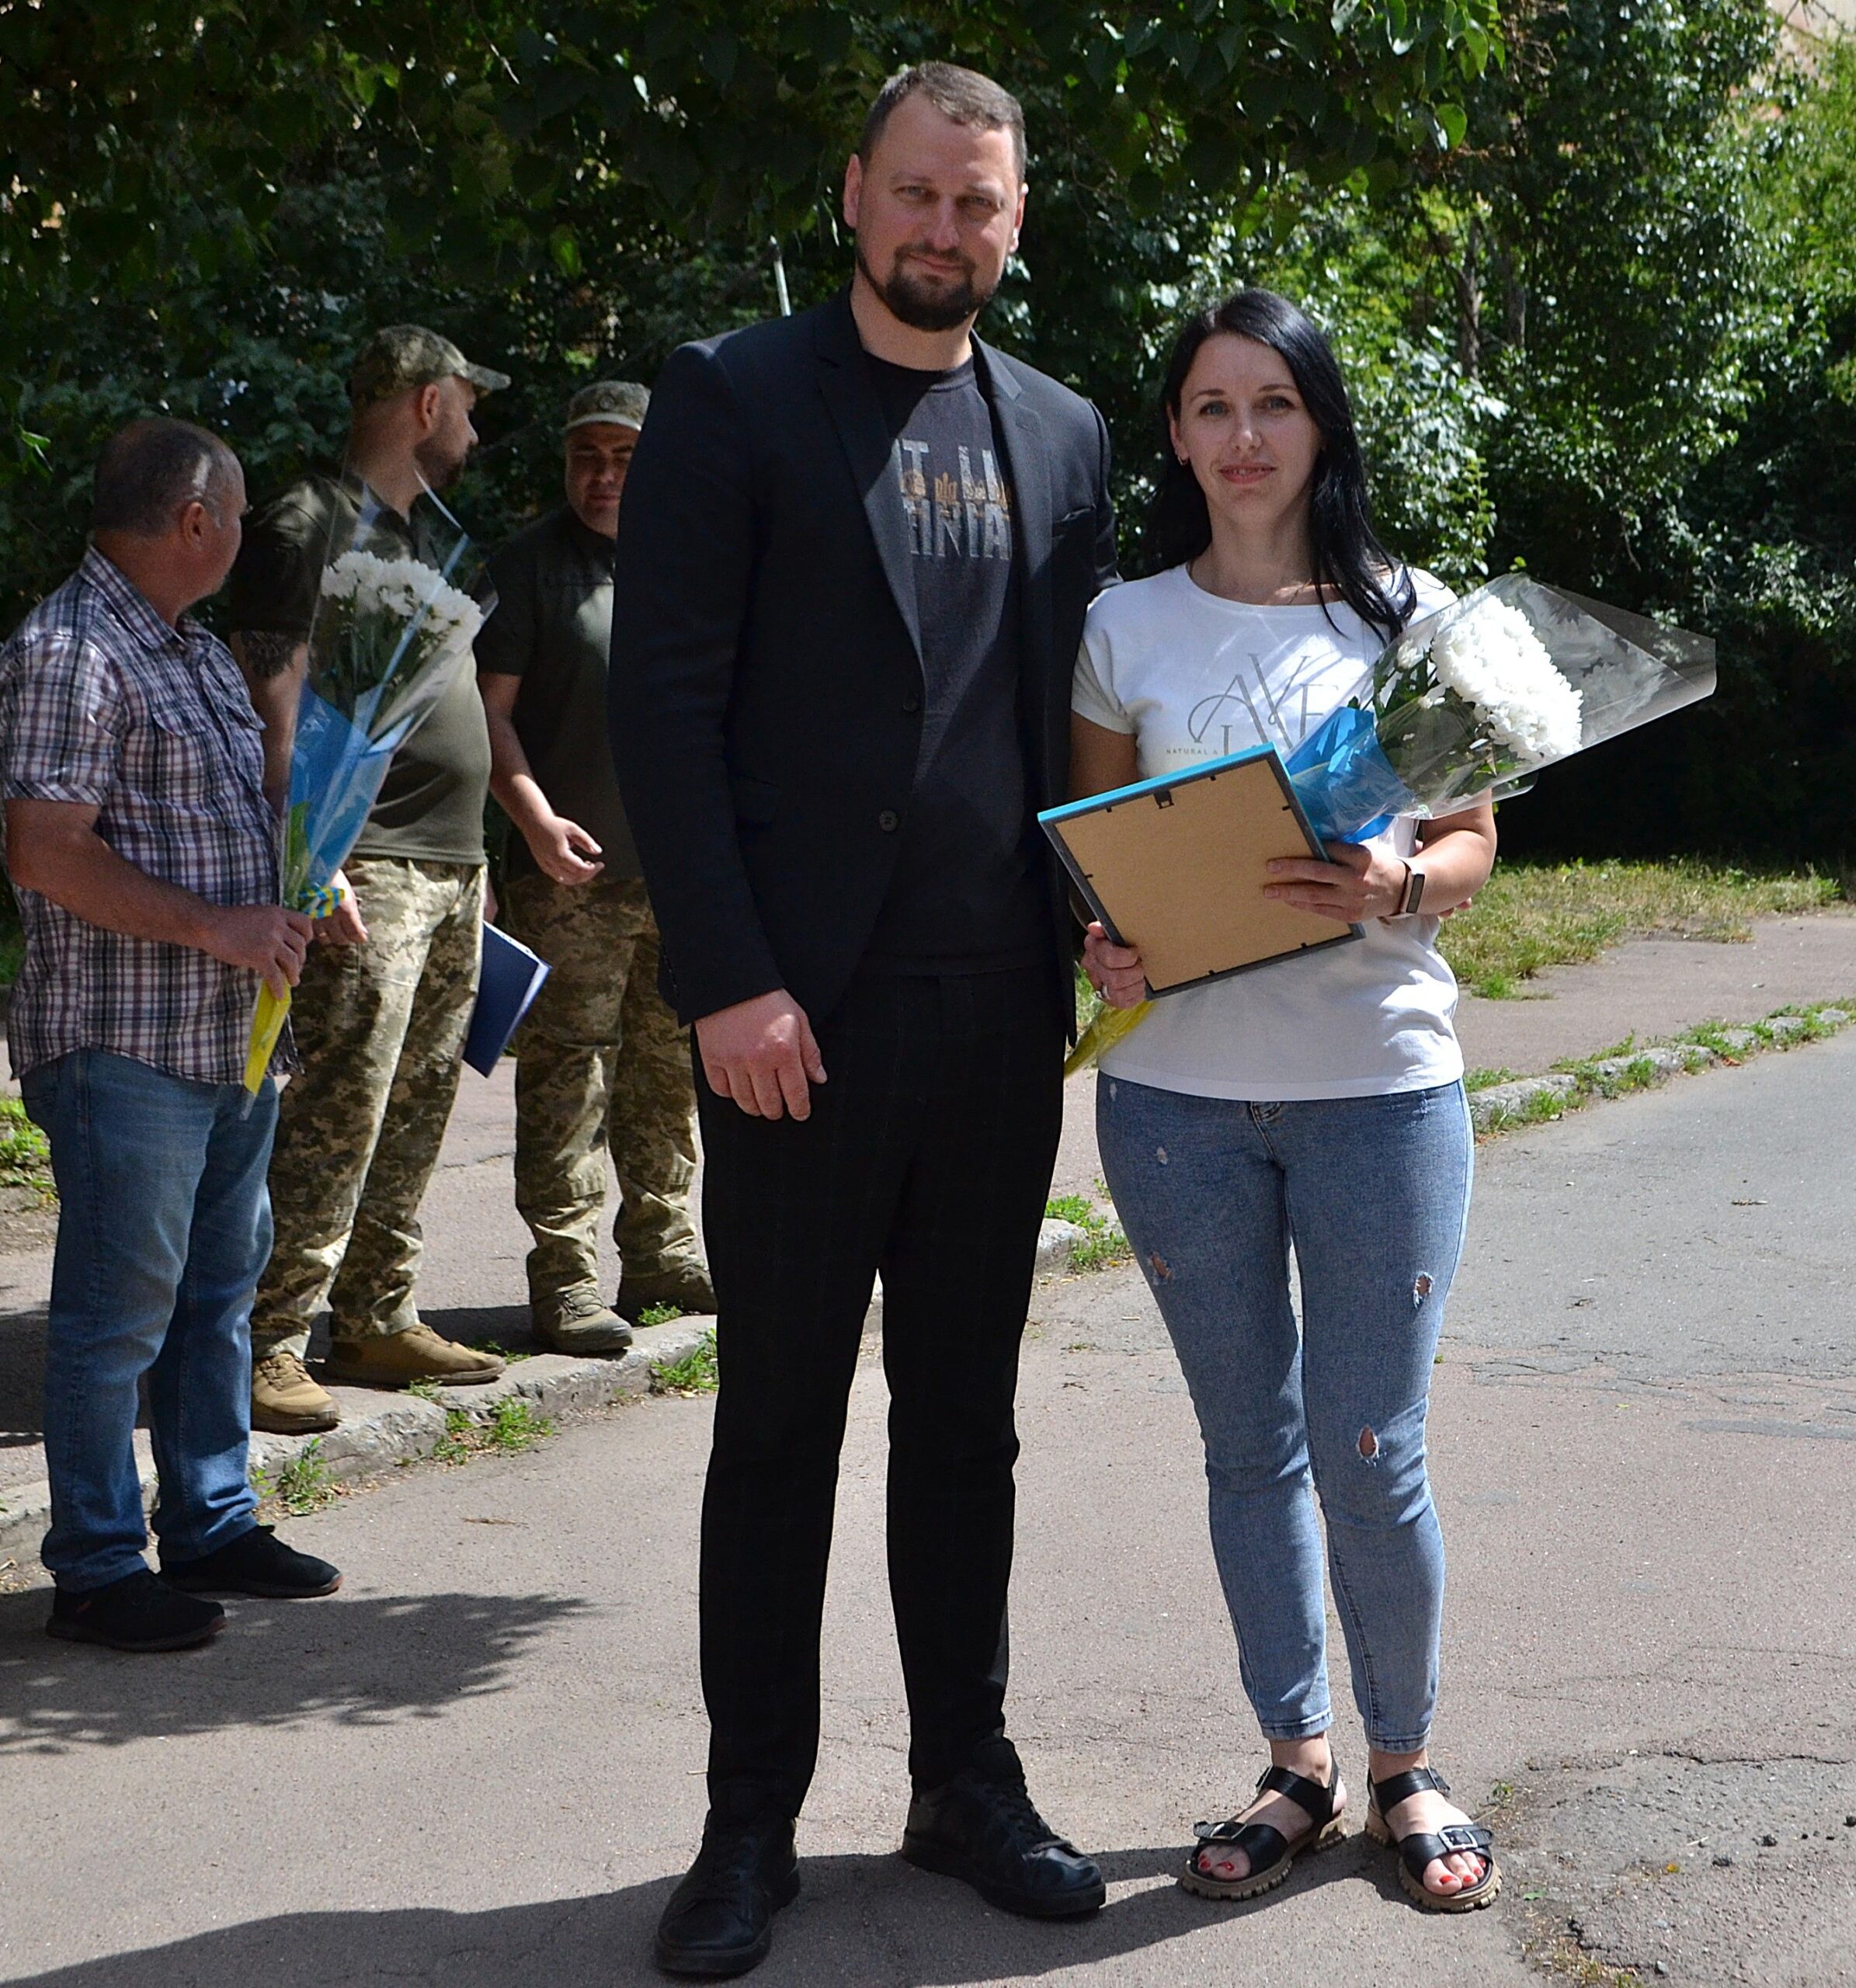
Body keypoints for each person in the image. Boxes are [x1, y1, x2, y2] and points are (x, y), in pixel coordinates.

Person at [611, 61, 1120, 1981]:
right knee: (776, 1425)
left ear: (1014, 220)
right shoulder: (733, 397)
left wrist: (1118, 908)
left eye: (974, 202)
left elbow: (1072, 728)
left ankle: (960, 1782)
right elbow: (664, 710)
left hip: (996, 1013)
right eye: (914, 192)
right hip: (795, 1025)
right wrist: (727, 976)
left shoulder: (1059, 431)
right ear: (852, 192)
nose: (940, 228)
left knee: (965, 1423)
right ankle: (747, 1820)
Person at [1072, 290, 1503, 1913]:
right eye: (1211, 406)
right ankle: (1296, 1763)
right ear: (1175, 437)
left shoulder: (1410, 615)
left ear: (1318, 424)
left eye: (1272, 402)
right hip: (1172, 1099)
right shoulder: (1121, 623)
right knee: (1245, 1445)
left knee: (1369, 1446)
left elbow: (1469, 840)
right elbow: (1093, 857)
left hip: (1376, 1089)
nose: (1242, 435)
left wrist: (1398, 880)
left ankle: (1406, 1764)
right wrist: (1101, 940)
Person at [0, 419, 342, 1652]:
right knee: (119, 1313)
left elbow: (225, 813)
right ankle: (97, 1568)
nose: (245, 538)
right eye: (239, 516)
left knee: (218, 1293)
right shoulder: (69, 650)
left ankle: (210, 1520)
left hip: (228, 1037)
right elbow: (44, 852)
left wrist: (304, 875)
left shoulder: (186, 649)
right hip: (125, 1046)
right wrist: (219, 926)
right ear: (196, 520)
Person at [226, 326, 508, 1437]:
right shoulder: (308, 521)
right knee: (339, 1103)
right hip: (364, 858)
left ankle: (377, 1315)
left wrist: (478, 855)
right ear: (428, 404)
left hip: (450, 860)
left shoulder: (424, 533)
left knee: (422, 1093)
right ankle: (268, 1336)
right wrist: (314, 855)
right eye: (469, 406)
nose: (475, 429)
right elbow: (269, 700)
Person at [476, 381, 714, 1354]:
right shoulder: (530, 566)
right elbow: (485, 713)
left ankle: (662, 1250)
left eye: (623, 457)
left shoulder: (696, 559)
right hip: (567, 879)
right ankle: (566, 1279)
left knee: (668, 1069)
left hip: (678, 873)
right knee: (568, 1077)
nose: (603, 475)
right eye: (587, 456)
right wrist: (532, 822)